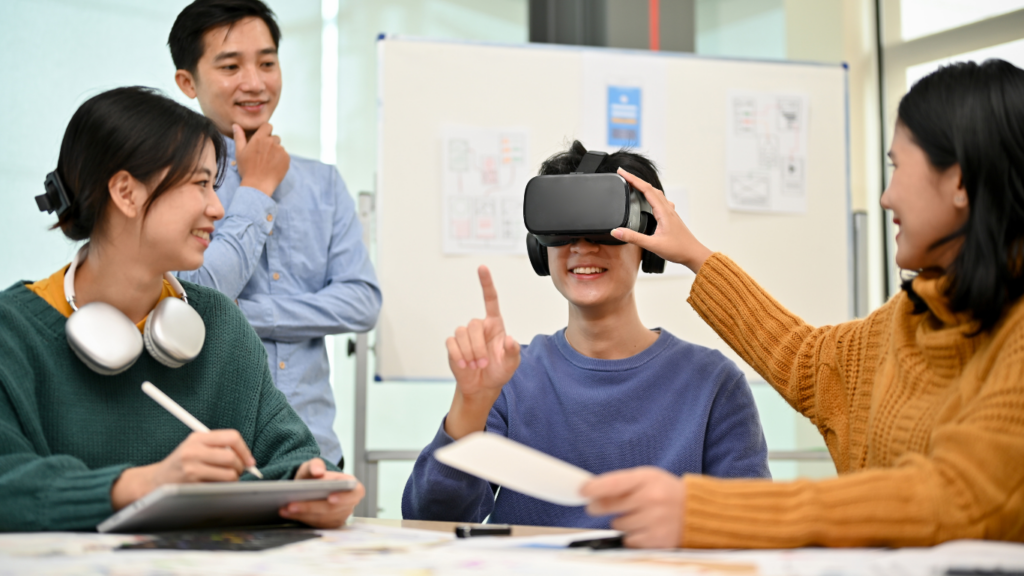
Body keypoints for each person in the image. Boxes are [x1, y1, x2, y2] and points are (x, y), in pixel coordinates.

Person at [580, 60, 1024, 548]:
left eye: (897, 167)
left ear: (958, 182)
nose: (885, 197)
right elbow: (806, 361)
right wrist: (694, 255)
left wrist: (706, 511)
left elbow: (956, 499)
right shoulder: (910, 319)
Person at [0, 86, 364, 532]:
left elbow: (292, 455)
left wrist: (309, 485)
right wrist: (142, 485)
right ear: (126, 193)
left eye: (215, 184)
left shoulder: (219, 323)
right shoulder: (12, 330)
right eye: (200, 184)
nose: (217, 206)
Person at [402, 142, 770, 529]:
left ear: (648, 242)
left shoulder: (712, 384)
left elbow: (751, 526)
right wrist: (470, 405)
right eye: (564, 231)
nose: (582, 247)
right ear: (540, 249)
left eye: (605, 229)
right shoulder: (510, 377)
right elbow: (430, 522)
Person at [168, 0, 381, 468]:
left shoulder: (322, 182)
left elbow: (362, 300)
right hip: (216, 455)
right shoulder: (170, 181)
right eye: (231, 65)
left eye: (267, 62)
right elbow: (192, 296)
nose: (255, 82)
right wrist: (257, 188)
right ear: (188, 81)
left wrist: (250, 313)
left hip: (316, 451)